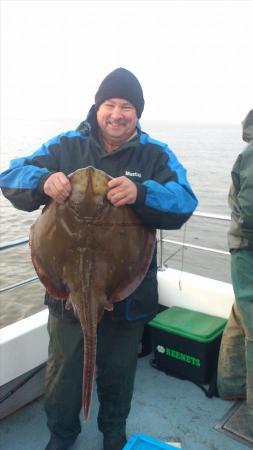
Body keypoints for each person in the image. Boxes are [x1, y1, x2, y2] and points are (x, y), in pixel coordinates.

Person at [0, 68, 198, 450]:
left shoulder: (154, 154)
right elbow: (10, 175)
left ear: (137, 113)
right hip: (67, 291)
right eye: (110, 104)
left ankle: (112, 430)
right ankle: (62, 434)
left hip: (128, 291)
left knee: (119, 371)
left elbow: (184, 201)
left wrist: (141, 193)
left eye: (127, 106)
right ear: (97, 106)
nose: (117, 113)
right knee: (64, 371)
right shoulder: (66, 145)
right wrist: (43, 181)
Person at [217, 109, 253, 436]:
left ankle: (230, 384)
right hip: (248, 250)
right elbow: (250, 213)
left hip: (243, 247)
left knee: (241, 315)